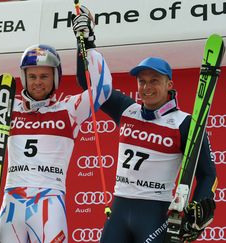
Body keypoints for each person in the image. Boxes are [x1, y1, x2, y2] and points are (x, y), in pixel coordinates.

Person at [0, 5, 112, 243]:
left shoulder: (69, 110)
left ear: (55, 77)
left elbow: (102, 89)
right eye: (32, 76)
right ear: (24, 77)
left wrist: (88, 41)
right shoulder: (7, 107)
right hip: (11, 202)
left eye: (44, 76)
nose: (38, 83)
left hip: (50, 201)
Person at [75, 15, 217, 241]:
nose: (147, 87)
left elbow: (207, 173)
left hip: (155, 214)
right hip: (120, 210)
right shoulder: (127, 109)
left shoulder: (185, 122)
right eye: (142, 81)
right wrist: (85, 42)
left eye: (154, 80)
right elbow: (89, 84)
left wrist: (196, 211)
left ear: (169, 84)